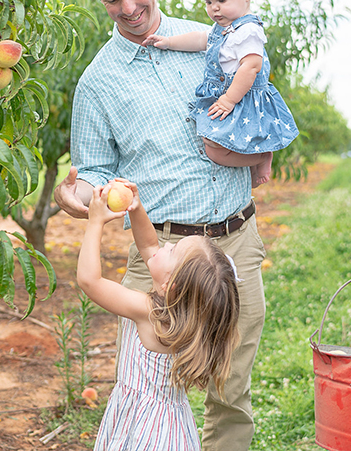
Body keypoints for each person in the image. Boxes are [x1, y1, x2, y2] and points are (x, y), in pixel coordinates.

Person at [53, 0, 267, 451]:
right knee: (148, 387)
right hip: (161, 252)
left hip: (233, 242)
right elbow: (95, 170)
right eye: (112, 0)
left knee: (231, 389)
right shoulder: (98, 82)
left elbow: (255, 103)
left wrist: (258, 152)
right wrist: (78, 197)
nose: (128, 8)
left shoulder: (210, 41)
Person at [77, 180, 240, 451]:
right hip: (170, 426)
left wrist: (96, 222)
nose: (165, 245)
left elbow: (89, 281)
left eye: (172, 250)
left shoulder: (148, 311)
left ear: (170, 284)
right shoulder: (184, 314)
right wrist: (136, 209)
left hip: (144, 428)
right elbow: (150, 246)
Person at [142, 0, 298, 187]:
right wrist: (169, 42)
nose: (214, 8)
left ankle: (261, 156)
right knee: (213, 143)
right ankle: (256, 160)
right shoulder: (223, 29)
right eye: (208, 2)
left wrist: (228, 100)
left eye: (221, 0)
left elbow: (251, 66)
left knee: (214, 148)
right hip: (229, 96)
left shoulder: (248, 31)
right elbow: (201, 39)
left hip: (242, 98)